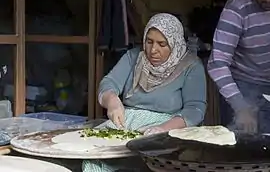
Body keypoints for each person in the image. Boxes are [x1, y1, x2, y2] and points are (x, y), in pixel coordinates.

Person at [83, 13, 207, 172]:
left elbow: (195, 110)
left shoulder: (191, 66)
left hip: (169, 131)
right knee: (93, 156)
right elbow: (109, 83)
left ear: (175, 44)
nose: (153, 50)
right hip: (126, 125)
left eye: (162, 44)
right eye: (149, 42)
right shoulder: (134, 57)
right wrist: (112, 101)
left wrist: (162, 130)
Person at [208, 0, 270, 134]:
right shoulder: (238, 7)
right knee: (240, 146)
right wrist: (240, 106)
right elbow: (218, 63)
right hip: (241, 87)